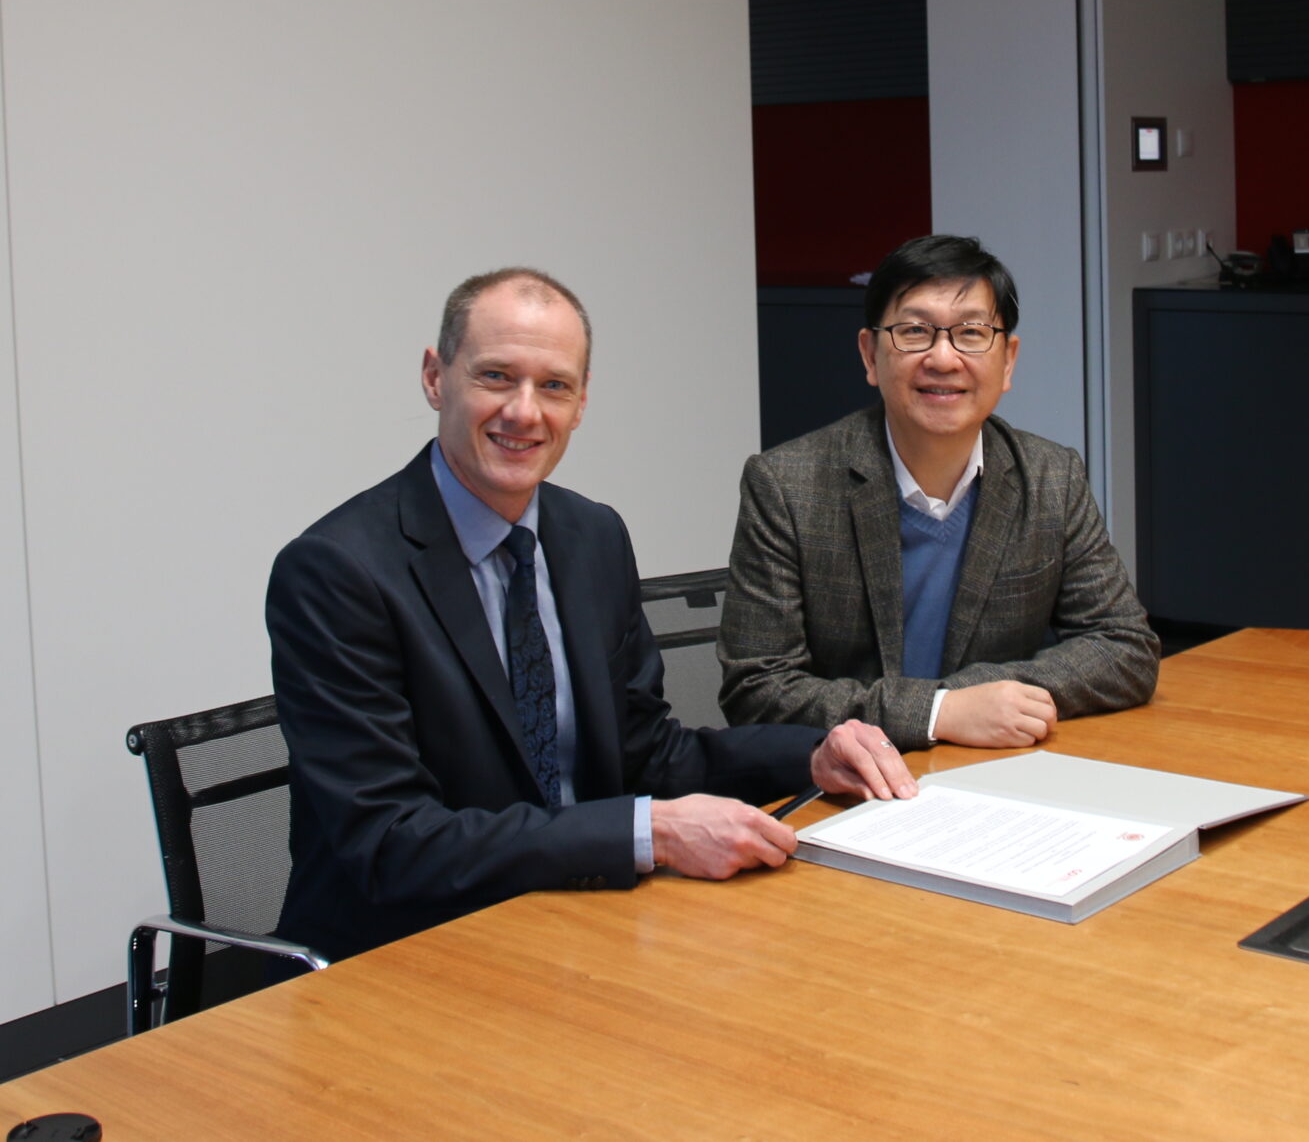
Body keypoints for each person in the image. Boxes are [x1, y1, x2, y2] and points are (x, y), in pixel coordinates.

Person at [268, 267, 914, 961]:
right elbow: (391, 841)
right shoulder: (337, 571)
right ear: (435, 377)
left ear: (580, 403)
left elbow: (650, 754)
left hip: (577, 928)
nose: (524, 411)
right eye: (495, 376)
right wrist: (650, 834)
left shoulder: (591, 536)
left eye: (554, 385)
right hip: (403, 954)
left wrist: (812, 754)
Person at [718, 234, 1158, 749]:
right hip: (848, 788)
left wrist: (978, 700)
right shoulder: (788, 486)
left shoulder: (1051, 478)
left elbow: (1124, 646)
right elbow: (756, 690)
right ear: (869, 354)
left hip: (999, 775)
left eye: (971, 333)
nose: (943, 358)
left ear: (1008, 360)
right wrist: (938, 713)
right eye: (914, 332)